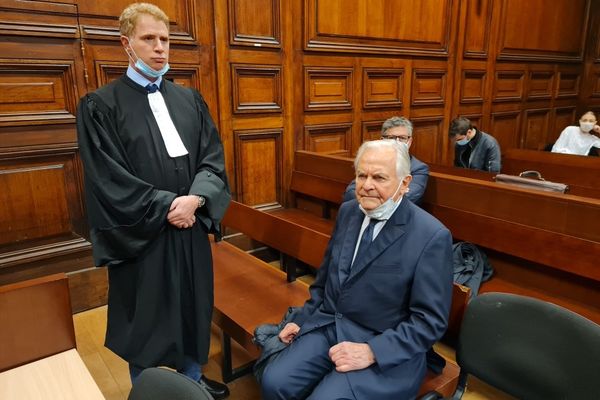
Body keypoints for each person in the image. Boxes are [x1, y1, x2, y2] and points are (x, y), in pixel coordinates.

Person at [76, 3, 231, 399]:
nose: (160, 48)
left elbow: (212, 158)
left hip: (190, 228)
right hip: (142, 236)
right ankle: (148, 391)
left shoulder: (190, 100)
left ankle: (191, 385)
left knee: (193, 311)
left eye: (165, 39)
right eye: (149, 39)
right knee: (145, 321)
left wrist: (195, 199)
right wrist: (167, 205)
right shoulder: (101, 106)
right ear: (126, 44)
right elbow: (107, 177)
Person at [261, 140, 453, 400]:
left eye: (379, 177)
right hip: (331, 323)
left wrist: (373, 351)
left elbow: (429, 321)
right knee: (274, 382)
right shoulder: (350, 211)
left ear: (405, 183)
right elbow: (325, 280)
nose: (367, 185)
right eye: (361, 175)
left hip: (384, 344)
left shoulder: (431, 236)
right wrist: (301, 318)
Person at [343, 116, 429, 204]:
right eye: (391, 138)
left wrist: (369, 197)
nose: (397, 142)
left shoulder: (418, 168)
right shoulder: (373, 161)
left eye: (402, 138)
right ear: (382, 140)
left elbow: (409, 197)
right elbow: (350, 192)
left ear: (409, 141)